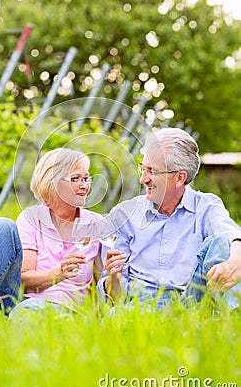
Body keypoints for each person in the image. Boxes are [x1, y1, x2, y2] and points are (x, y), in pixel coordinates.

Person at [97, 127, 241, 311]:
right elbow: (114, 299)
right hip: (140, 305)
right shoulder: (125, 215)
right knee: (118, 318)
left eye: (151, 171)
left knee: (222, 242)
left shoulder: (206, 206)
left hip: (192, 302)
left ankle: (234, 318)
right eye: (143, 168)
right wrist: (114, 278)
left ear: (179, 178)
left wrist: (237, 257)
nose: (143, 179)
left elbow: (229, 233)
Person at [0, 148, 102, 318]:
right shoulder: (32, 218)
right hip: (22, 301)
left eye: (86, 178)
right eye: (76, 179)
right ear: (52, 182)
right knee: (1, 226)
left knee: (30, 313)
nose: (85, 185)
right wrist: (58, 273)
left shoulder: (97, 224)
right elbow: (23, 280)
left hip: (69, 311)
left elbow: (99, 288)